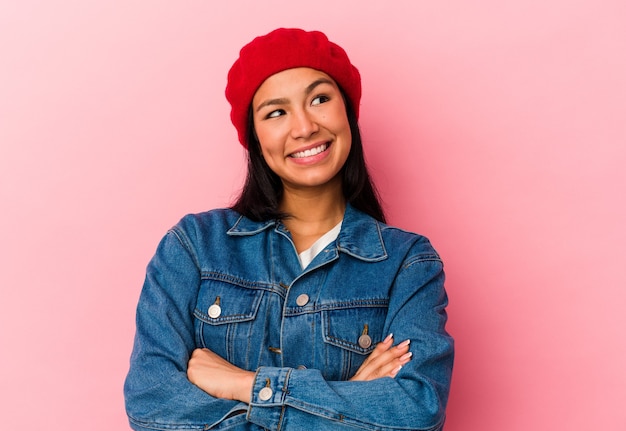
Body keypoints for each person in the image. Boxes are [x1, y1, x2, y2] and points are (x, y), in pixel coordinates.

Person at [124, 28, 454, 431]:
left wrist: (244, 385)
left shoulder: (407, 264)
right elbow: (150, 407)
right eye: (276, 112)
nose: (304, 127)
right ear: (255, 137)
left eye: (319, 99)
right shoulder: (194, 247)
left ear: (347, 112)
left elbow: (417, 414)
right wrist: (346, 398)